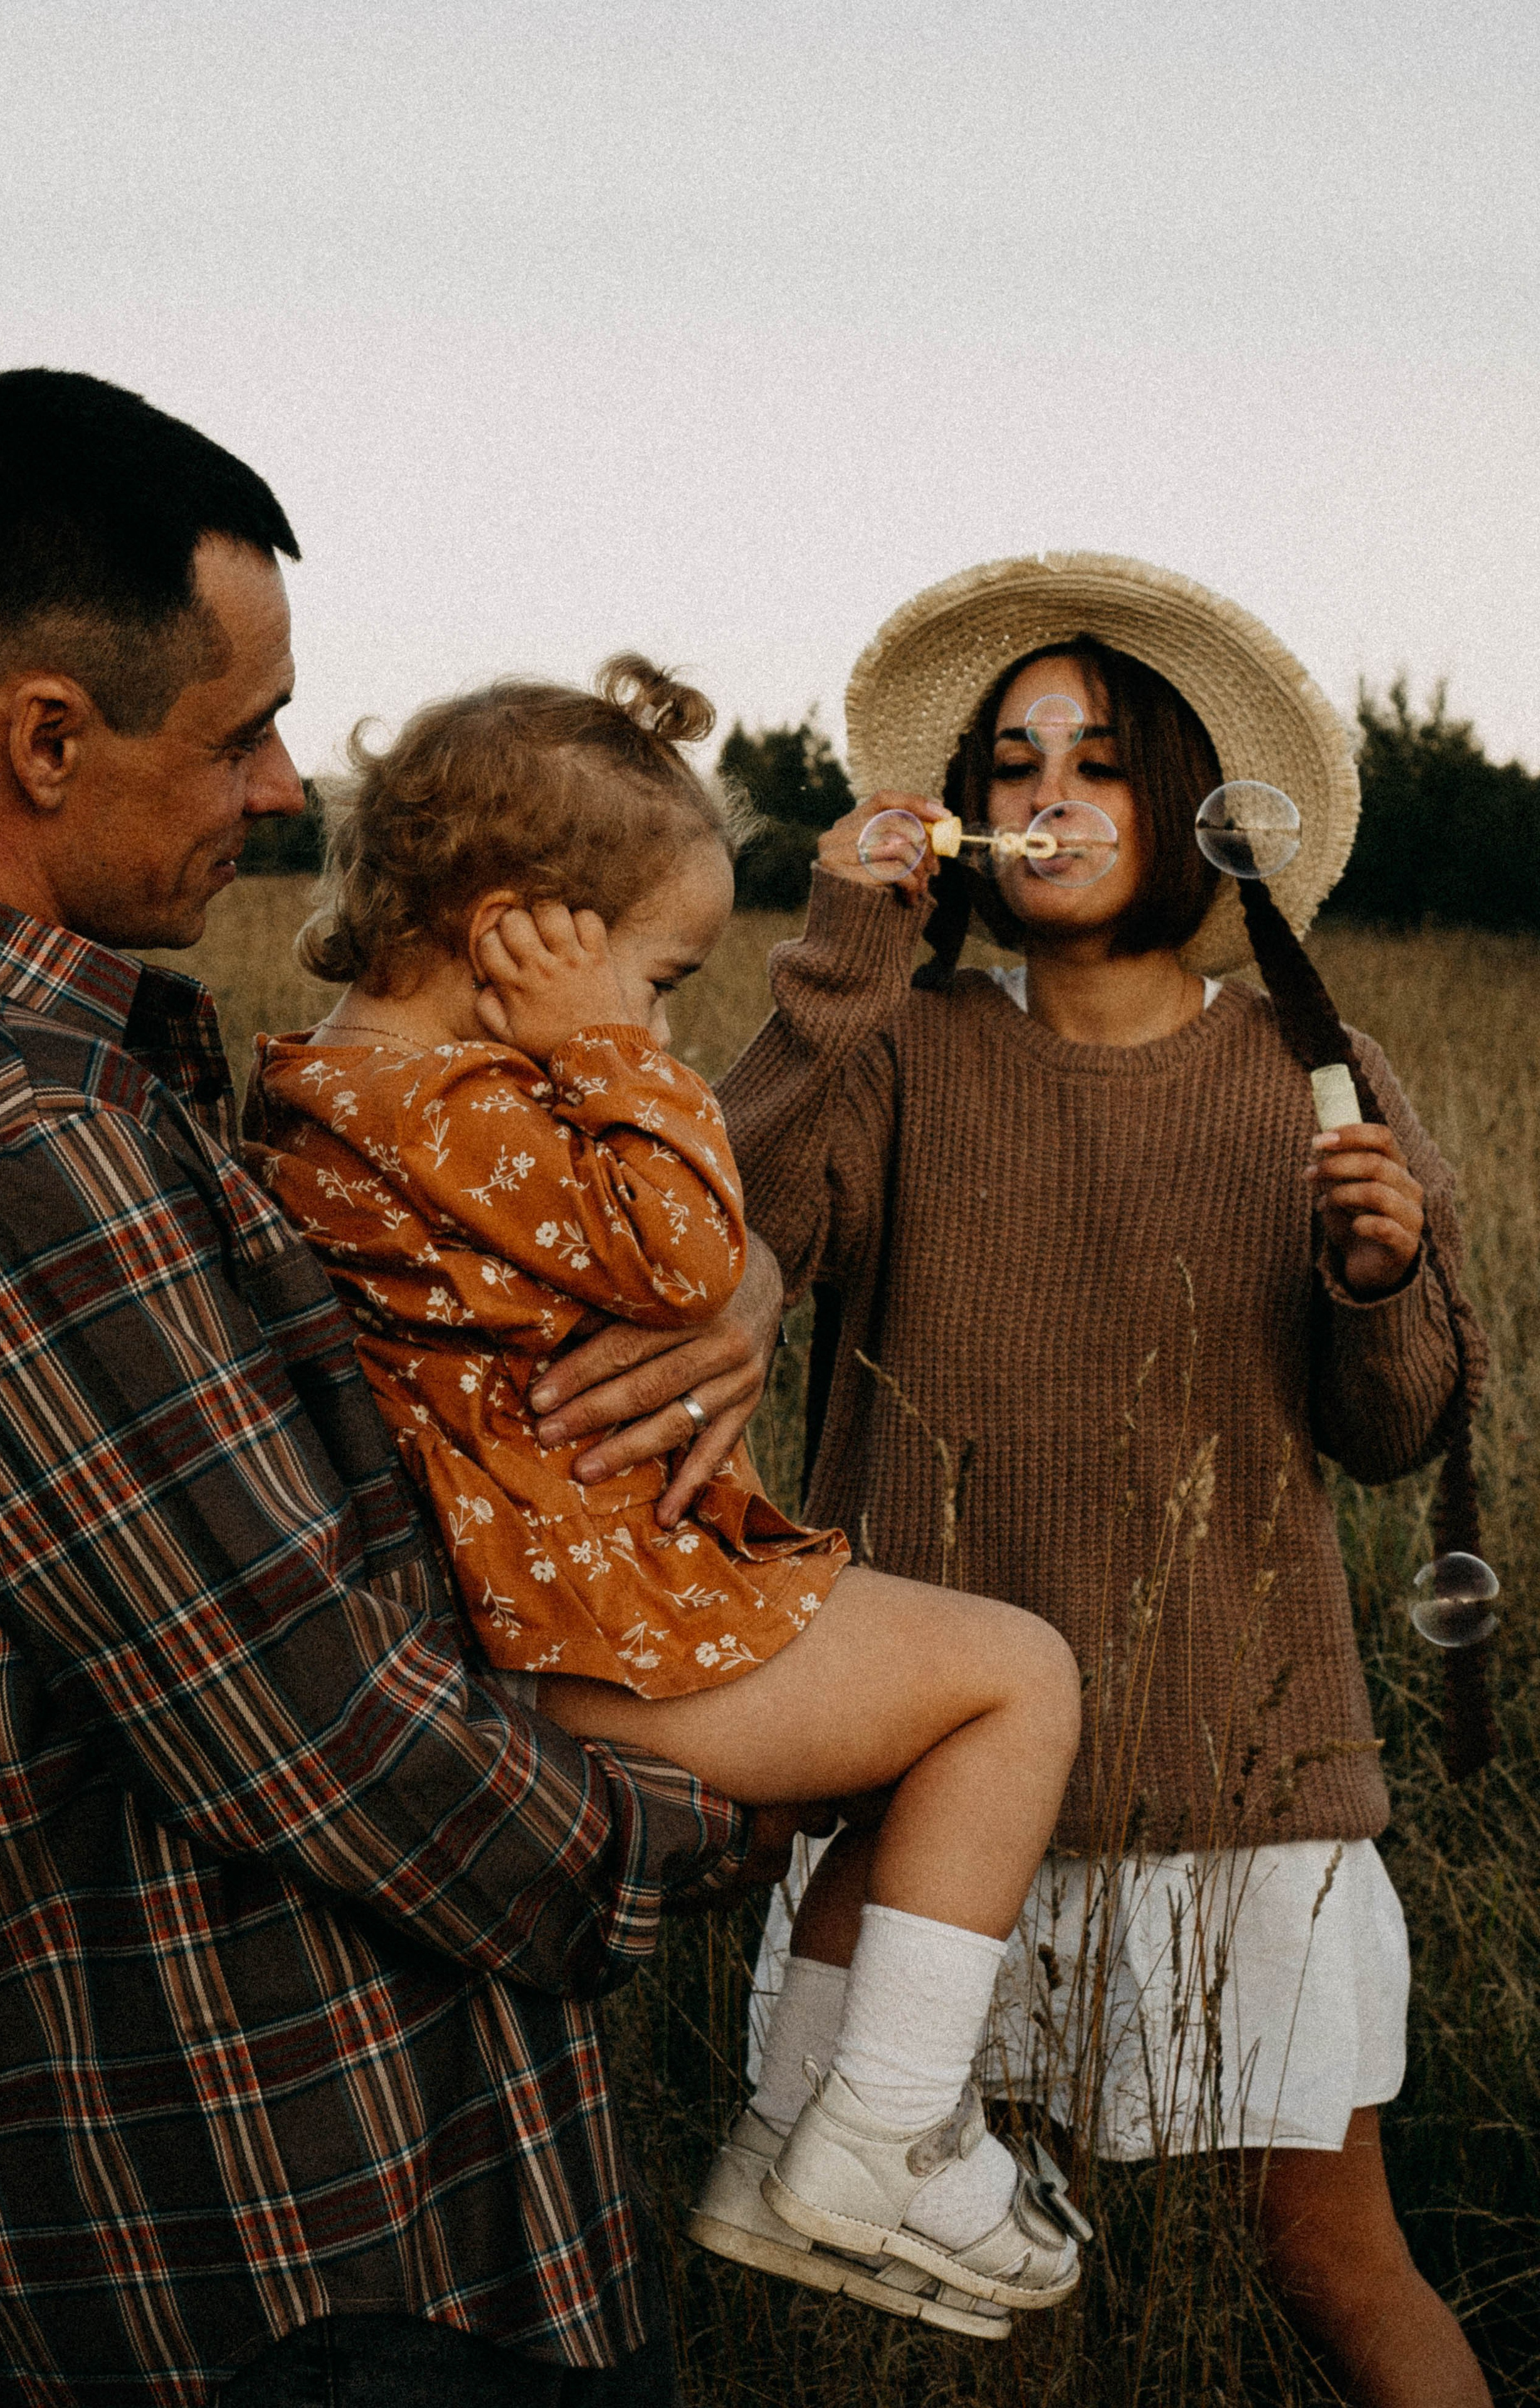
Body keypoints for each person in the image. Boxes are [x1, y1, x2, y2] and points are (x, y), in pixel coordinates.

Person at [0, 366, 795, 2408]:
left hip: (381, 2224)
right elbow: (308, 1720)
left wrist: (731, 1280)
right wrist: (734, 1816)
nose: (287, 787)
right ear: (46, 739)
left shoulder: (108, 1062)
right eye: (240, 732)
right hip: (293, 2261)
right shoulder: (3, 1134)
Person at [719, 554, 1494, 2408]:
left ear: (1193, 809)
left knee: (1325, 2254)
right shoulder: (901, 1050)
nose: (1044, 795)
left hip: (1249, 1782)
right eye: (1008, 762)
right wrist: (840, 954)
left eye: (1101, 760)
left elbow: (1396, 1433)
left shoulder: (1315, 1070)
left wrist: (1383, 1279)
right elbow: (720, 1249)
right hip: (928, 1801)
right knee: (896, 2290)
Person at [250, 661, 1090, 2343]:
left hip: (551, 1607)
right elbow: (692, 1254)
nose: (662, 1017)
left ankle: (796, 2137)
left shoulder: (319, 1094)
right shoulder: (465, 1110)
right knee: (1019, 1677)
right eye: (659, 975)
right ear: (522, 940)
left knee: (904, 1768)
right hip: (597, 1631)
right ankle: (885, 2137)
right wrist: (612, 1055)